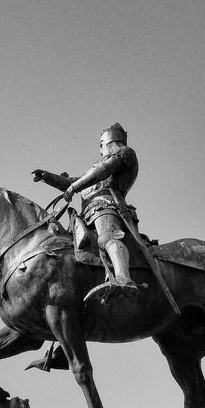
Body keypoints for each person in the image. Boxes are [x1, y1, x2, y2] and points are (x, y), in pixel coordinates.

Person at [32, 123, 142, 296]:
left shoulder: (125, 153)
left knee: (107, 237)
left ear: (109, 141)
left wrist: (74, 187)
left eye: (101, 144)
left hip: (107, 207)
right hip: (87, 213)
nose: (100, 151)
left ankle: (124, 279)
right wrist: (48, 177)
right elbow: (72, 182)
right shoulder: (99, 166)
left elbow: (101, 171)